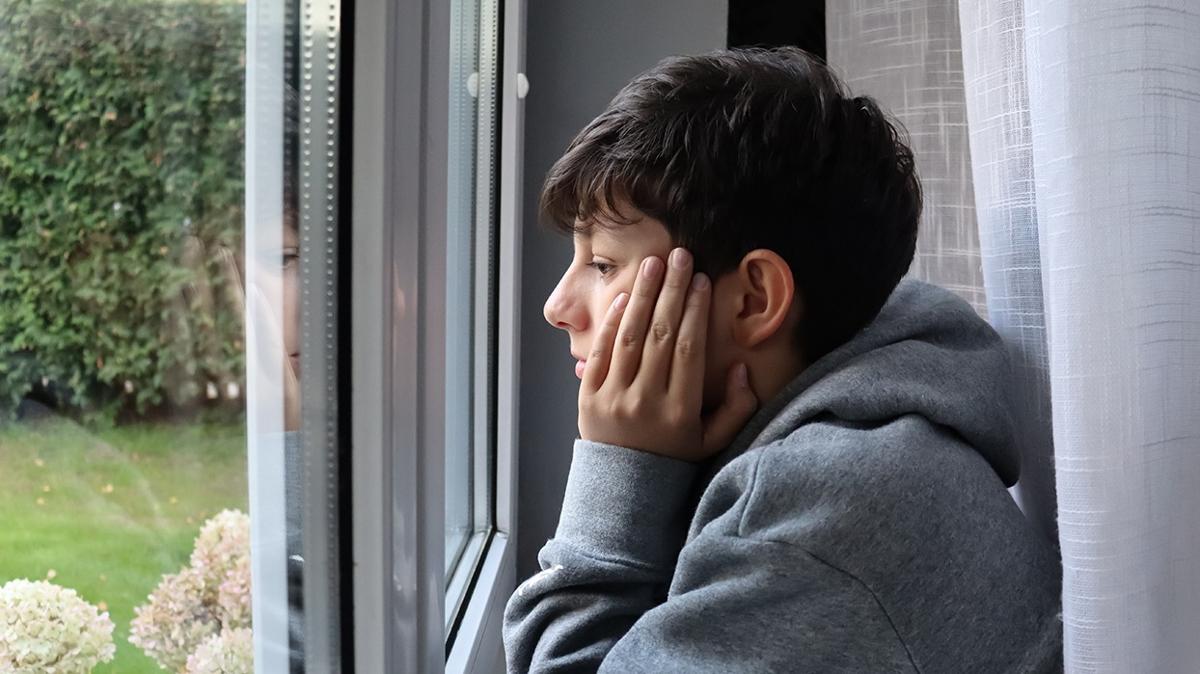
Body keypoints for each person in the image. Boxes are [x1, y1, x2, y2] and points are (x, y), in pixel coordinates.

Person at [504, 47, 1062, 673]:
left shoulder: (815, 507)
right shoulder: (870, 431)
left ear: (754, 299)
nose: (556, 307)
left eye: (604, 264)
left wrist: (619, 476)